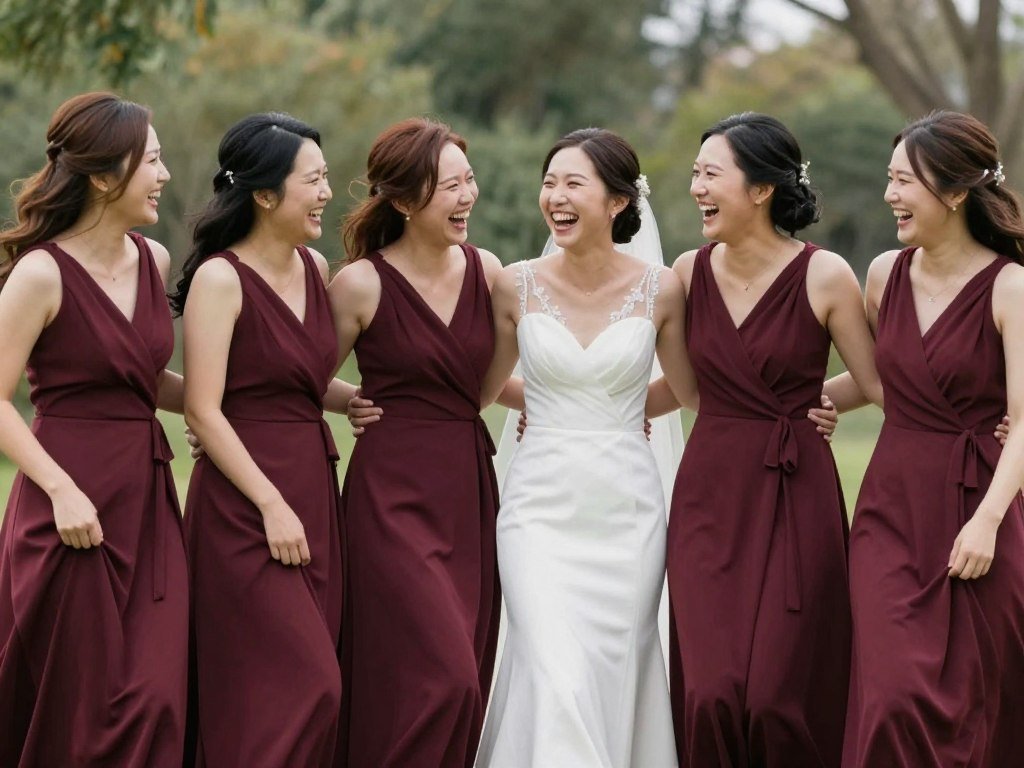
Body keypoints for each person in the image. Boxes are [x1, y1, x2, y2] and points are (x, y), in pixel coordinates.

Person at [656, 112, 881, 767]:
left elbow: (875, 383)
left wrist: (809, 403)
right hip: (709, 496)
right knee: (710, 695)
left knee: (778, 700)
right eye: (695, 172)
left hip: (796, 496)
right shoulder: (687, 273)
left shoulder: (826, 275)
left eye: (710, 173)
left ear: (760, 189)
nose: (696, 186)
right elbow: (685, 389)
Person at [475, 128, 698, 767]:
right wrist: (550, 406)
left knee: (609, 668)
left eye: (574, 184)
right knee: (554, 670)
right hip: (538, 507)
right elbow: (484, 388)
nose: (556, 197)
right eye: (550, 183)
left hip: (626, 509)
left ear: (619, 202)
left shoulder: (662, 289)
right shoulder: (513, 284)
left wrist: (616, 410)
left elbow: (685, 390)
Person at [831, 111, 1024, 768]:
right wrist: (781, 408)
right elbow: (879, 378)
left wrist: (987, 522)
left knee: (978, 702)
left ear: (956, 190)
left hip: (985, 512)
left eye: (905, 181)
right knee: (891, 699)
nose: (891, 195)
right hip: (891, 512)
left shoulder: (1011, 287)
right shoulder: (885, 273)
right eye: (889, 179)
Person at [0, 92, 187, 766]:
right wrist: (58, 489)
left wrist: (218, 411)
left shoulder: (155, 260)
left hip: (148, 505)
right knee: (79, 706)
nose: (164, 176)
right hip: (66, 511)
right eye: (154, 162)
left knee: (157, 697)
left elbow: (141, 375)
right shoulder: (40, 274)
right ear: (106, 176)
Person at [171, 113, 351, 767]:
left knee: (289, 692)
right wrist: (270, 503)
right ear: (266, 193)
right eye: (315, 180)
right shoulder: (221, 278)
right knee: (308, 687)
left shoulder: (315, 266)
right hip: (247, 508)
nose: (328, 192)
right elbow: (204, 407)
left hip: (313, 492)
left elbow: (293, 376)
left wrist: (350, 399)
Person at [328, 118, 504, 767]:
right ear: (402, 201)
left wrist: (595, 406)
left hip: (468, 489)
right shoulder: (360, 284)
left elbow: (489, 381)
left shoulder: (488, 270)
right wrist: (351, 399)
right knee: (445, 678)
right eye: (450, 186)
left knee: (466, 678)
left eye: (469, 180)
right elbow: (299, 375)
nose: (468, 197)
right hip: (389, 499)